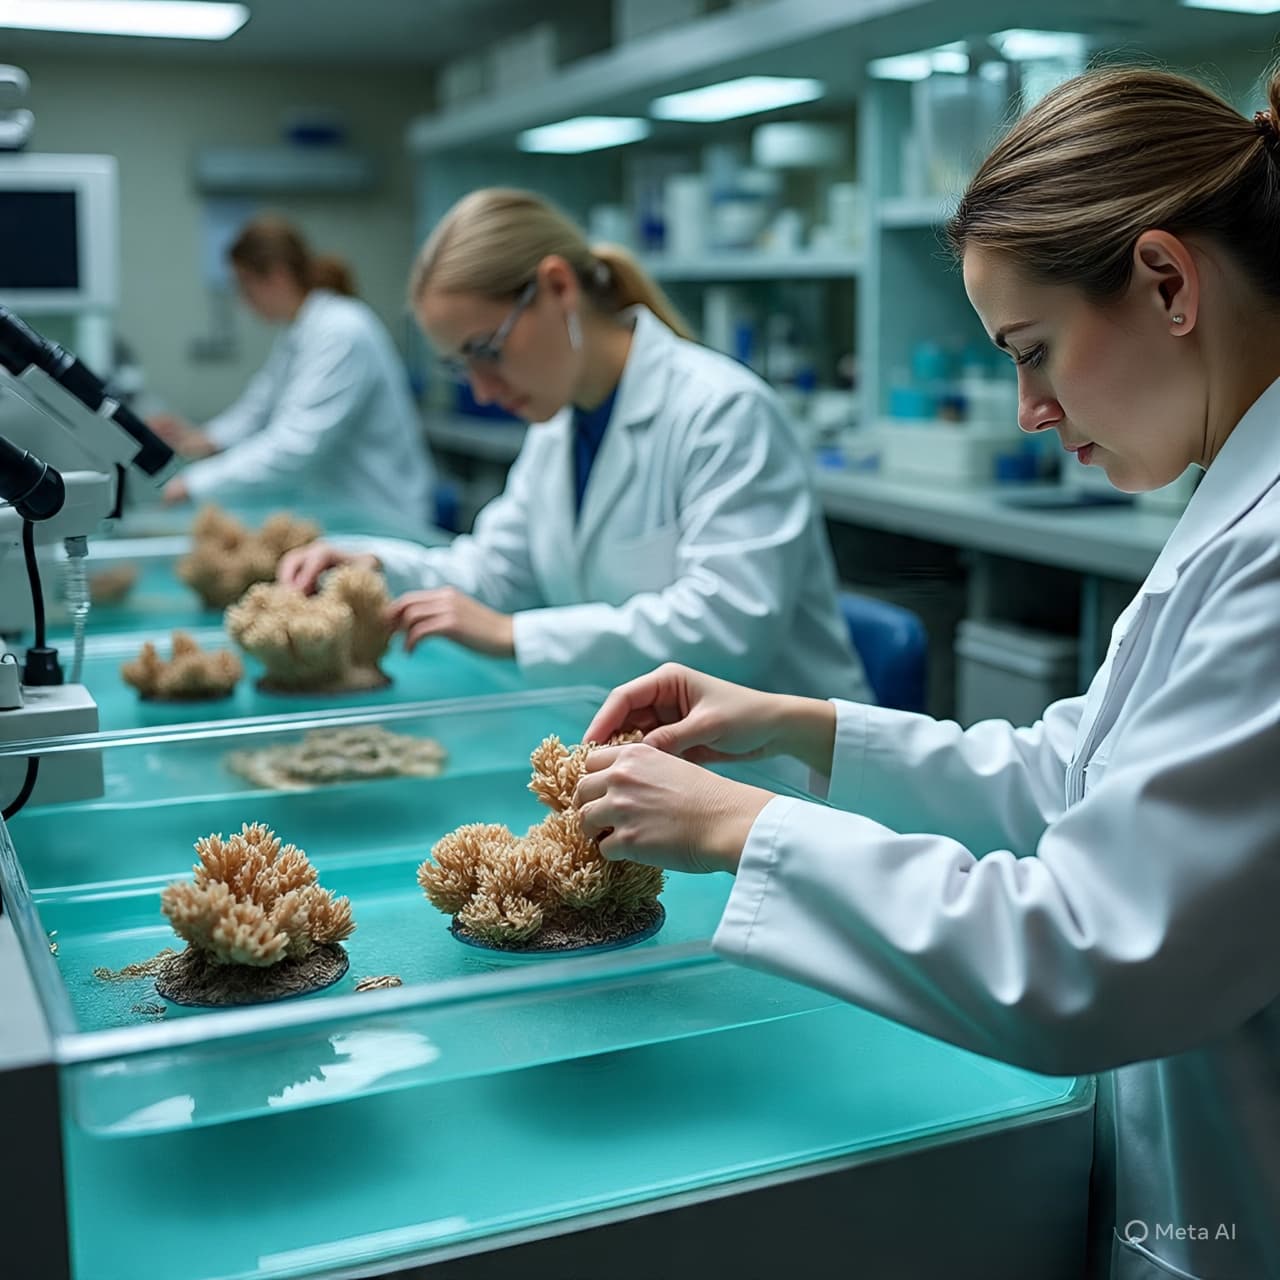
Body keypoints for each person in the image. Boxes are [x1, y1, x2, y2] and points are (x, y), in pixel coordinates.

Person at [571, 68, 1280, 1280]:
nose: (1028, 408)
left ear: (1167, 283)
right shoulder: (1235, 496)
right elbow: (1075, 772)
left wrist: (744, 827)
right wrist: (799, 724)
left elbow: (1082, 958)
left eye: (1031, 350)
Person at [279, 188, 870, 702]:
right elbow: (496, 574)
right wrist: (377, 567)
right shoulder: (559, 426)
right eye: (462, 366)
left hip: (779, 773)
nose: (482, 391)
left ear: (558, 287)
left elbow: (728, 631)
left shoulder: (722, 411)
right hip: (656, 753)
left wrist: (513, 635)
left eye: (487, 351)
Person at [153, 215, 436, 532]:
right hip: (343, 512)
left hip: (384, 515)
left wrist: (193, 483)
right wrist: (198, 439)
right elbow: (257, 409)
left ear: (277, 276)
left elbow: (295, 445)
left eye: (245, 287)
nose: (244, 302)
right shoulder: (298, 331)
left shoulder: (341, 330)